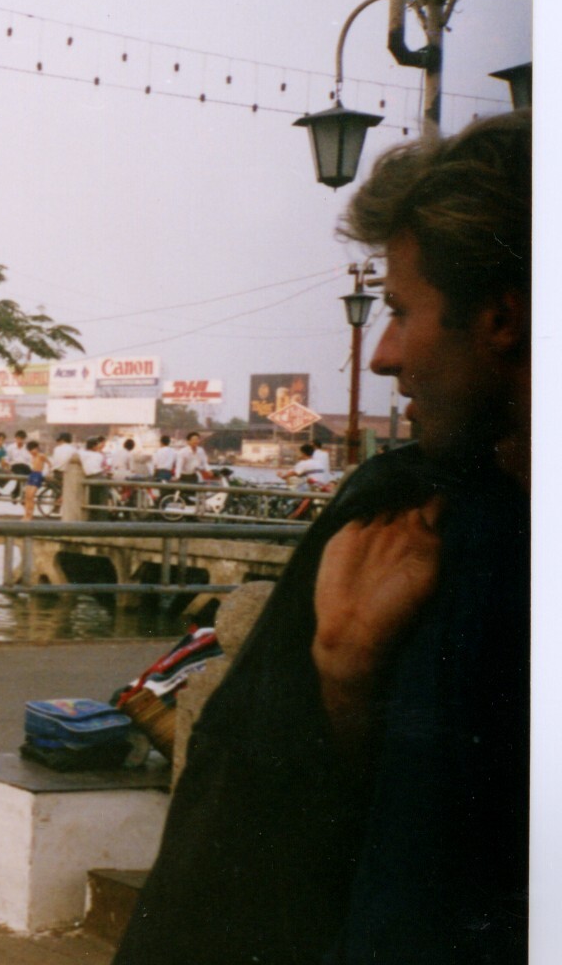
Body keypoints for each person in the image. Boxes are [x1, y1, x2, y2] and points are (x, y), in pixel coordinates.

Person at [114, 112, 530, 965]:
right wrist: (343, 685)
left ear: (501, 318)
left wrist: (339, 677)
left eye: (403, 310)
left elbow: (242, 861)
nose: (380, 356)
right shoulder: (421, 515)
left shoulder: (415, 520)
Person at [20, 440, 47, 520]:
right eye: (30, 450)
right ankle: (26, 514)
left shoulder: (41, 455)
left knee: (31, 495)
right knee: (27, 496)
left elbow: (49, 464)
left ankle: (30, 515)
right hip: (32, 474)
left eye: (33, 449)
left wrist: (47, 473)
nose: (32, 452)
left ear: (37, 448)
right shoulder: (32, 457)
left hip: (38, 475)